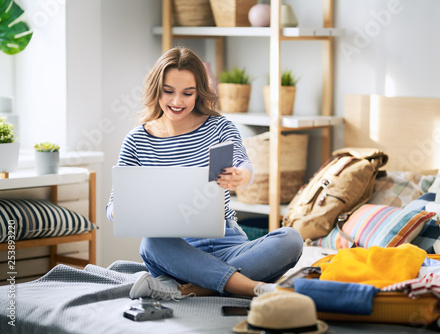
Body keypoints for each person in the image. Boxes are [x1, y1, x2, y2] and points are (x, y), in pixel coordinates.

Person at [106, 47, 303, 300]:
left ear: (198, 92)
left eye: (187, 93)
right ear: (157, 89)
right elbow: (113, 206)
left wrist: (241, 176)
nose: (177, 102)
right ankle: (248, 286)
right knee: (151, 243)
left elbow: (244, 165)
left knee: (291, 238)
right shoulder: (136, 140)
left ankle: (195, 288)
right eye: (169, 92)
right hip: (177, 252)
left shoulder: (220, 126)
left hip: (230, 245)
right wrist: (121, 212)